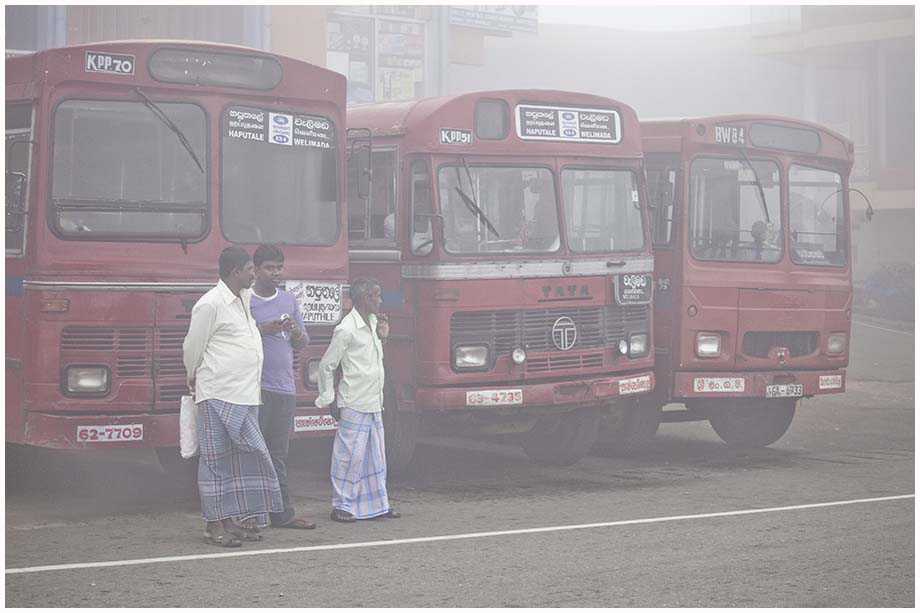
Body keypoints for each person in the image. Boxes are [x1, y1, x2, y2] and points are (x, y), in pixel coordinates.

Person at [183, 246, 283, 547]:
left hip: (245, 393)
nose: (254, 274)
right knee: (215, 460)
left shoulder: (244, 298)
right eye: (250, 269)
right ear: (234, 271)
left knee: (241, 457)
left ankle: (230, 519)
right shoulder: (210, 304)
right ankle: (213, 525)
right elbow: (192, 348)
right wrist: (194, 378)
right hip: (217, 393)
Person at [316, 277, 401, 522]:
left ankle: (377, 504)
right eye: (376, 295)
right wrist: (329, 398)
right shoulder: (346, 329)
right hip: (353, 401)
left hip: (373, 400)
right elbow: (327, 365)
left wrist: (383, 337)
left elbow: (372, 360)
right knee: (349, 456)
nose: (380, 300)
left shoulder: (373, 323)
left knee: (376, 456)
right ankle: (341, 505)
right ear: (365, 299)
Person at [249, 244, 316, 530]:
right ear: (255, 270)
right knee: (253, 451)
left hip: (284, 388)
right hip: (253, 388)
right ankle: (252, 513)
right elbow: (234, 337)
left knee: (278, 452)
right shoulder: (245, 300)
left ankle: (281, 512)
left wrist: (296, 332)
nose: (276, 273)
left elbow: (302, 342)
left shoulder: (289, 300)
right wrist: (264, 329)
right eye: (269, 268)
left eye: (279, 267)